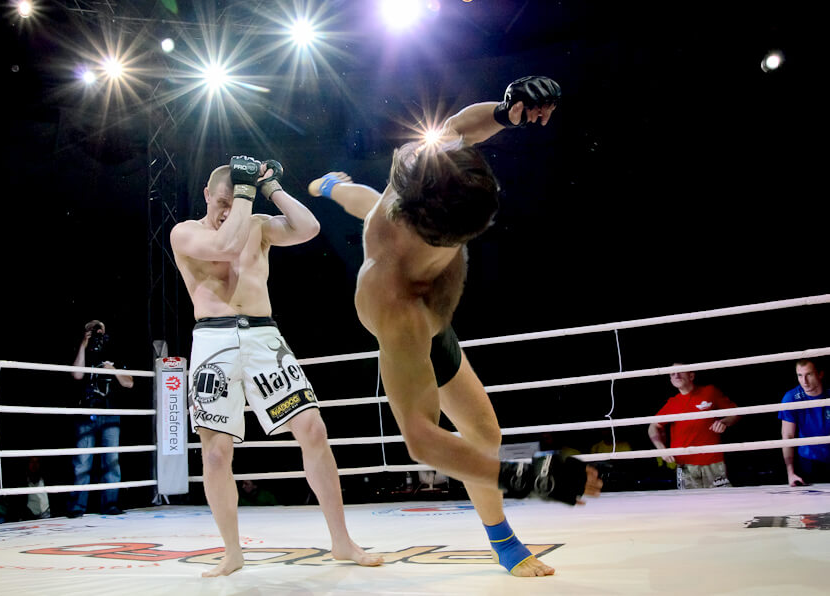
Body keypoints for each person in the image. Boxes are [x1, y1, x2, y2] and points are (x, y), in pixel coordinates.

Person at [309, 75, 601, 578]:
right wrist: (528, 477)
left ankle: (332, 186)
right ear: (442, 236)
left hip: (422, 282)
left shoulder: (425, 170)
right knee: (480, 437)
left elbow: (459, 126)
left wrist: (508, 111)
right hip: (421, 329)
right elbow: (421, 439)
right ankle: (503, 539)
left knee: (487, 432)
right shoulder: (393, 305)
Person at [170, 156, 383, 577]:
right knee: (216, 454)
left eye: (235, 200)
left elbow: (308, 228)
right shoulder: (186, 232)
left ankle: (342, 541)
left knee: (313, 429)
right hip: (213, 340)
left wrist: (270, 189)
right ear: (207, 195)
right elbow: (224, 247)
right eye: (222, 201)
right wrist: (244, 194)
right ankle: (232, 552)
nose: (229, 209)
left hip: (263, 336)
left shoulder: (257, 224)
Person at [66, 319, 134, 517]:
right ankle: (77, 506)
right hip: (86, 412)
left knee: (111, 460)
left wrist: (113, 371)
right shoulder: (82, 351)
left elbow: (129, 383)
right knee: (82, 461)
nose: (97, 333)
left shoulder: (115, 353)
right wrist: (83, 344)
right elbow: (77, 375)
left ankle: (110, 503)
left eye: (99, 330)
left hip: (110, 412)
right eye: (92, 329)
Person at [648, 366, 740, 489]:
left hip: (713, 461)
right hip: (685, 465)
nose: (676, 375)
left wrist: (724, 422)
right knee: (687, 501)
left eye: (680, 372)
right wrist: (661, 449)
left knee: (722, 499)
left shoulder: (710, 392)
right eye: (672, 374)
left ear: (691, 375)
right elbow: (653, 426)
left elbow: (735, 413)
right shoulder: (672, 403)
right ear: (670, 380)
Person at [779, 359, 830, 486]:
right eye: (800, 375)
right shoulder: (791, 398)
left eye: (809, 374)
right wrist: (790, 473)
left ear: (820, 374)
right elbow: (787, 436)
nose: (804, 381)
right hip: (808, 461)